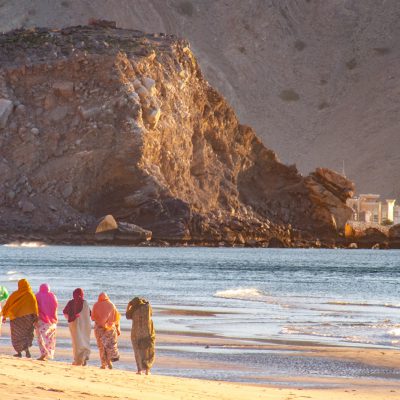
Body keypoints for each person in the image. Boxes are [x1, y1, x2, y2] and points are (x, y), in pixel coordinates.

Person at [1, 279, 38, 358]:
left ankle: (19, 352)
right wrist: (36, 318)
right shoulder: (30, 295)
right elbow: (34, 308)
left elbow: (8, 305)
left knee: (16, 335)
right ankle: (26, 350)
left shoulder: (15, 294)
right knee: (26, 334)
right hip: (27, 319)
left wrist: (4, 315)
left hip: (16, 319)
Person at [126, 297, 155, 375]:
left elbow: (127, 316)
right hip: (147, 332)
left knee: (137, 351)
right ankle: (147, 370)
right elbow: (151, 314)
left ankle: (139, 370)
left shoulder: (133, 309)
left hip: (136, 333)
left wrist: (128, 306)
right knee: (147, 351)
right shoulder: (147, 307)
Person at [92, 292, 120, 369]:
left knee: (101, 346)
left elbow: (93, 317)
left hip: (99, 328)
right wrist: (117, 328)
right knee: (109, 345)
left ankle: (104, 364)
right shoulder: (111, 305)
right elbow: (116, 318)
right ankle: (109, 361)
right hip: (110, 329)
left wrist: (101, 321)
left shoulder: (96, 305)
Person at [63, 288, 91, 366]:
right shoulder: (85, 302)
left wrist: (71, 318)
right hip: (85, 325)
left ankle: (78, 360)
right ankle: (85, 355)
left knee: (76, 342)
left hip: (74, 324)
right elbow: (90, 313)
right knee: (84, 339)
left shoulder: (71, 302)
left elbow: (65, 312)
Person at [35, 284, 58, 361]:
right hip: (52, 321)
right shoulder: (52, 296)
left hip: (40, 320)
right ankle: (48, 353)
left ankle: (44, 353)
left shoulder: (37, 296)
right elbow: (55, 307)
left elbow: (35, 307)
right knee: (50, 338)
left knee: (40, 337)